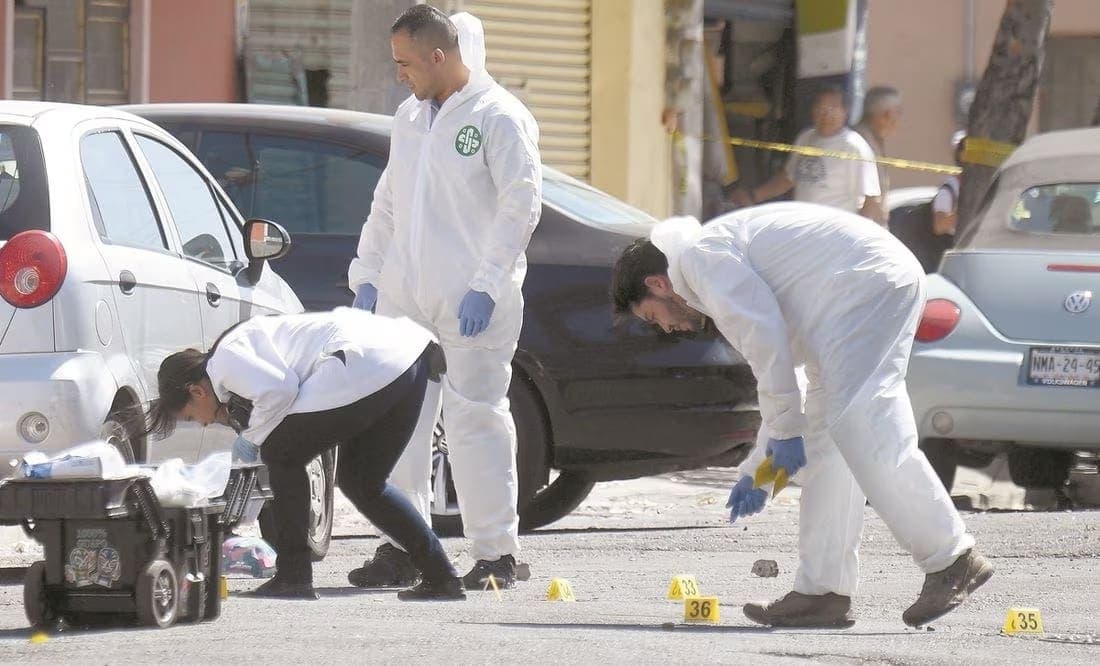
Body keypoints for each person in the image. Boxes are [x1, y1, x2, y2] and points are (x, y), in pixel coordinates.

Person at [610, 204, 992, 628]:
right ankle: (823, 593)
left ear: (658, 284)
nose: (666, 328)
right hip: (851, 298)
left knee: (863, 424)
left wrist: (783, 437)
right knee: (832, 443)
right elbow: (781, 379)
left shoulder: (701, 259)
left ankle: (952, 557)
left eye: (653, 316)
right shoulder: (708, 265)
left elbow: (765, 341)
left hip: (864, 286)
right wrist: (761, 472)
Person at [347, 6, 541, 590]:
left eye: (406, 63)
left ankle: (496, 554)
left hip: (472, 298)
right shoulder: (409, 117)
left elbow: (521, 205)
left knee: (475, 418)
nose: (398, 74)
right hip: (406, 294)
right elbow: (388, 201)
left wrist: (487, 284)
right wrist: (368, 276)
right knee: (397, 423)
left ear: (439, 56)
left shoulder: (499, 116)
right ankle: (405, 546)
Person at [144, 308, 465, 601]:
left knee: (281, 453)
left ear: (197, 391)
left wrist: (252, 439)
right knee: (363, 483)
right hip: (408, 357)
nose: (202, 423)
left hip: (368, 361)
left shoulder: (224, 361)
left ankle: (293, 575)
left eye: (191, 416)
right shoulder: (237, 350)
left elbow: (280, 390)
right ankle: (441, 575)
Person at [734, 86, 882, 221]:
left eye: (833, 108)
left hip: (833, 231)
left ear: (845, 112)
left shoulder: (854, 147)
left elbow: (871, 200)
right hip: (803, 227)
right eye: (821, 108)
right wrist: (754, 196)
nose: (825, 114)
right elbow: (788, 178)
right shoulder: (806, 138)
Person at [855, 86, 903, 226]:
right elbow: (867, 198)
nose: (899, 119)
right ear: (886, 115)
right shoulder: (859, 143)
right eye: (898, 112)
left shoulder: (873, 140)